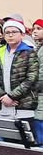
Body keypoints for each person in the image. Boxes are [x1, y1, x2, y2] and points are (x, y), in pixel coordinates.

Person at [0, 19, 39, 120]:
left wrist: (11, 96)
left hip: (23, 106)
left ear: (22, 35)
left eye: (14, 32)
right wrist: (2, 96)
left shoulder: (29, 52)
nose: (10, 35)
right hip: (2, 105)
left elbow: (31, 78)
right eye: (7, 32)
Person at [32, 18, 43, 147]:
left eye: (39, 29)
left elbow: (41, 76)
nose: (35, 31)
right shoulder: (38, 48)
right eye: (34, 29)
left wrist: (30, 87)